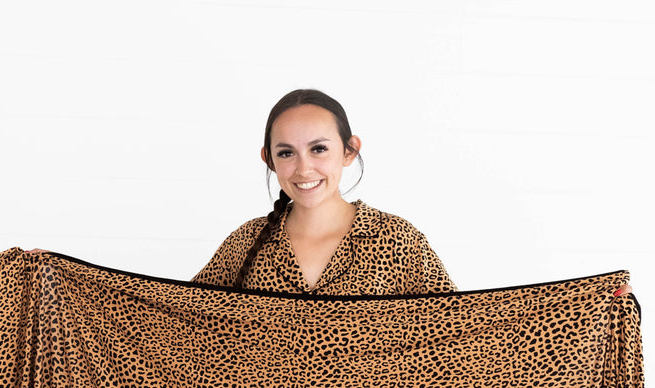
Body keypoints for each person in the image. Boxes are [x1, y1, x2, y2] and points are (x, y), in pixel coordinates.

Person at [193, 88, 630, 299]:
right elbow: (174, 321)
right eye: (286, 153)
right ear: (268, 158)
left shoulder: (396, 240)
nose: (304, 168)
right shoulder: (247, 242)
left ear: (349, 151)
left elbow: (464, 332)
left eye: (319, 149)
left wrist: (586, 308)